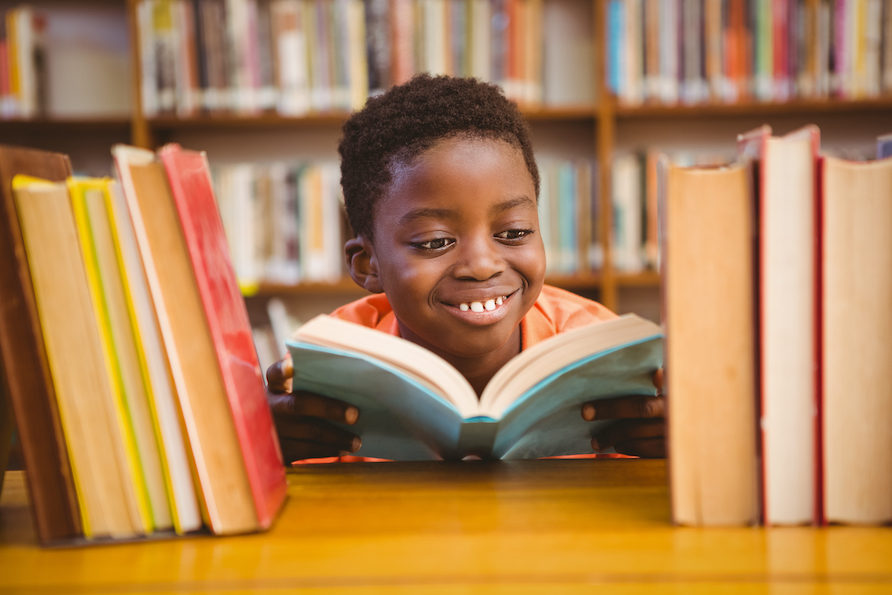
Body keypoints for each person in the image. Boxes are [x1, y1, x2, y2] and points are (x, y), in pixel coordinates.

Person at [266, 74, 665, 463]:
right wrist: (261, 446)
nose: (481, 266)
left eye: (514, 232)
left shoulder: (596, 347)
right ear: (368, 264)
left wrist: (674, 440)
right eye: (435, 242)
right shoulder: (335, 365)